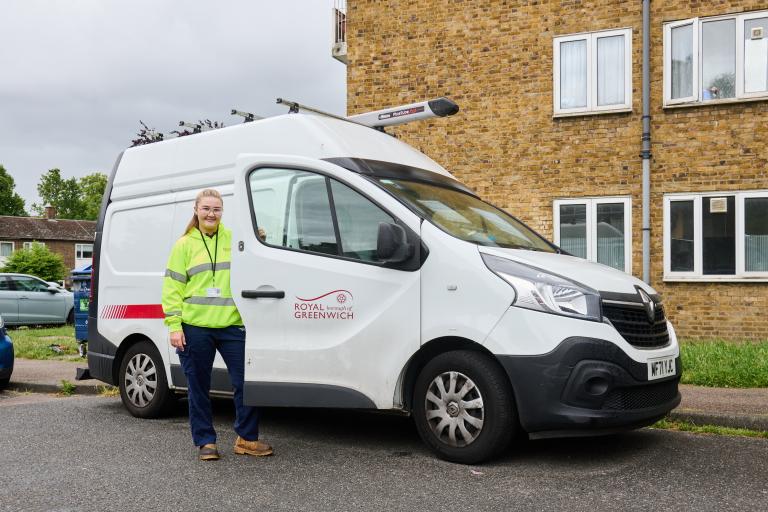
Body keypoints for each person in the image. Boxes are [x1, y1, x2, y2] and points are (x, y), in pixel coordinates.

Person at [162, 188, 272, 461]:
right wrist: (175, 326)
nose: (211, 213)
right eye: (206, 208)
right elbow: (172, 287)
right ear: (196, 210)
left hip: (231, 325)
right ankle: (205, 442)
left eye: (216, 209)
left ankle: (246, 438)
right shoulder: (184, 245)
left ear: (222, 212)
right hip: (195, 327)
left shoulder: (234, 240)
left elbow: (252, 264)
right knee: (198, 386)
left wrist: (260, 241)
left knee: (246, 382)